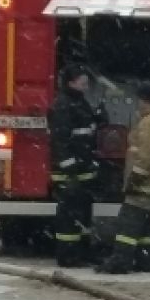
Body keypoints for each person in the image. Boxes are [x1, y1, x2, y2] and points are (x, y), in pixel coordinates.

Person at [96, 82, 150, 275]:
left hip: (143, 185)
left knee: (127, 225)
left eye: (139, 99)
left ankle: (120, 262)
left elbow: (148, 154)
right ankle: (147, 261)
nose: (137, 104)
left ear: (145, 100)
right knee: (147, 227)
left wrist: (135, 178)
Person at [48, 63, 107, 267]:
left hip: (83, 169)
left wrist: (99, 118)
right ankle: (67, 256)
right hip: (70, 174)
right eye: (82, 82)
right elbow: (60, 140)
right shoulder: (63, 104)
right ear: (71, 82)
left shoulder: (79, 101)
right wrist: (69, 167)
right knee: (68, 217)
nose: (86, 85)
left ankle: (82, 252)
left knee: (82, 214)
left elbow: (87, 128)